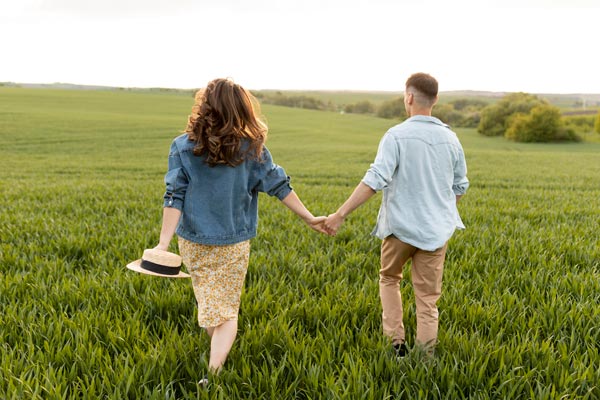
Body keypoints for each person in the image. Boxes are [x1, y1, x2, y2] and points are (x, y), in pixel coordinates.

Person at [154, 78, 327, 380]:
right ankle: (216, 367)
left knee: (212, 306)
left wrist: (162, 245)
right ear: (241, 109)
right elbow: (278, 185)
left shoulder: (182, 146)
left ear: (204, 107)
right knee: (223, 309)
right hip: (233, 242)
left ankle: (214, 368)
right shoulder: (252, 149)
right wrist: (308, 217)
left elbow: (174, 196)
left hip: (192, 240)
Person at [324, 73, 469, 356]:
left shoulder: (397, 135)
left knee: (390, 278)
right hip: (436, 233)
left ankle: (396, 344)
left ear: (409, 97)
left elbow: (375, 179)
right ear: (436, 100)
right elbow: (460, 186)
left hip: (399, 229)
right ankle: (426, 357)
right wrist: (440, 210)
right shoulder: (451, 139)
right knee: (427, 298)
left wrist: (340, 214)